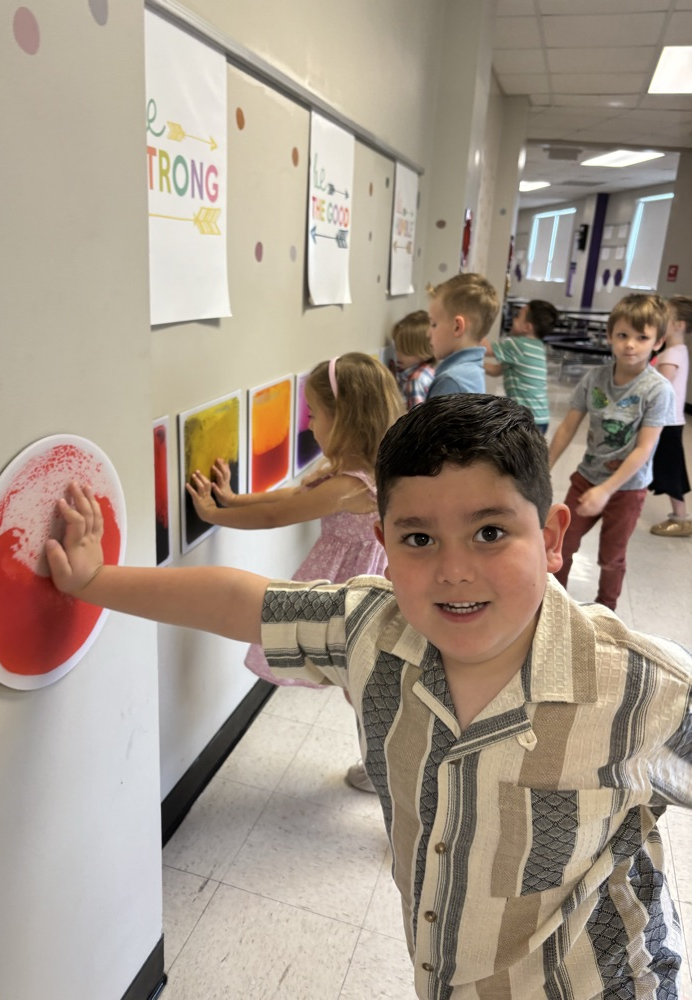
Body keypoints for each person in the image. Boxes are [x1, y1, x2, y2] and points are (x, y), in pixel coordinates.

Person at [46, 394, 692, 1000]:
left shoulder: (639, 688)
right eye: (419, 539)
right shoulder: (371, 632)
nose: (454, 569)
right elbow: (240, 601)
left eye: (490, 533)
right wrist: (96, 579)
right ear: (384, 546)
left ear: (552, 538)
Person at [188, 351, 405, 792]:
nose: (308, 425)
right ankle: (387, 765)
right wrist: (231, 499)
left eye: (314, 414)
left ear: (345, 418)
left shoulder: (350, 487)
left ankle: (391, 772)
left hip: (353, 599)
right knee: (361, 687)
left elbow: (278, 515)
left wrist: (214, 515)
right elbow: (288, 496)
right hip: (358, 593)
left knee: (364, 690)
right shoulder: (357, 471)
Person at [549, 293, 675, 611]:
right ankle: (555, 604)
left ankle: (606, 611)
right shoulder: (595, 379)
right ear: (610, 336)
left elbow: (644, 449)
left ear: (657, 342)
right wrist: (544, 465)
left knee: (611, 558)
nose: (630, 344)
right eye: (622, 335)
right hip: (586, 478)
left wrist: (607, 490)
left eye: (641, 337)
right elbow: (567, 427)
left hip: (626, 490)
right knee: (561, 544)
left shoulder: (658, 390)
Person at [649, 294, 691, 537]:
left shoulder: (673, 354)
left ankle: (681, 518)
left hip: (666, 422)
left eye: (666, 314)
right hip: (667, 420)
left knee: (671, 470)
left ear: (679, 325)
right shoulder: (674, 350)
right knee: (655, 464)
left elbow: (660, 385)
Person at [483, 298, 557, 433]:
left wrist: (477, 324)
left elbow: (485, 348)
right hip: (540, 417)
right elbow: (495, 370)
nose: (513, 319)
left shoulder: (518, 345)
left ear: (527, 327)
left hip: (527, 419)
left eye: (517, 316)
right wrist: (475, 362)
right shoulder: (537, 346)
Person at [426, 273, 499, 398]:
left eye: (434, 324)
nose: (428, 333)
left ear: (457, 327)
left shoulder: (451, 382)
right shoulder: (471, 371)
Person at [388, 309, 434, 409]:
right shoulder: (429, 370)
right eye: (397, 347)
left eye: (405, 350)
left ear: (422, 351)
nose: (397, 354)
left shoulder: (416, 381)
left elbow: (416, 418)